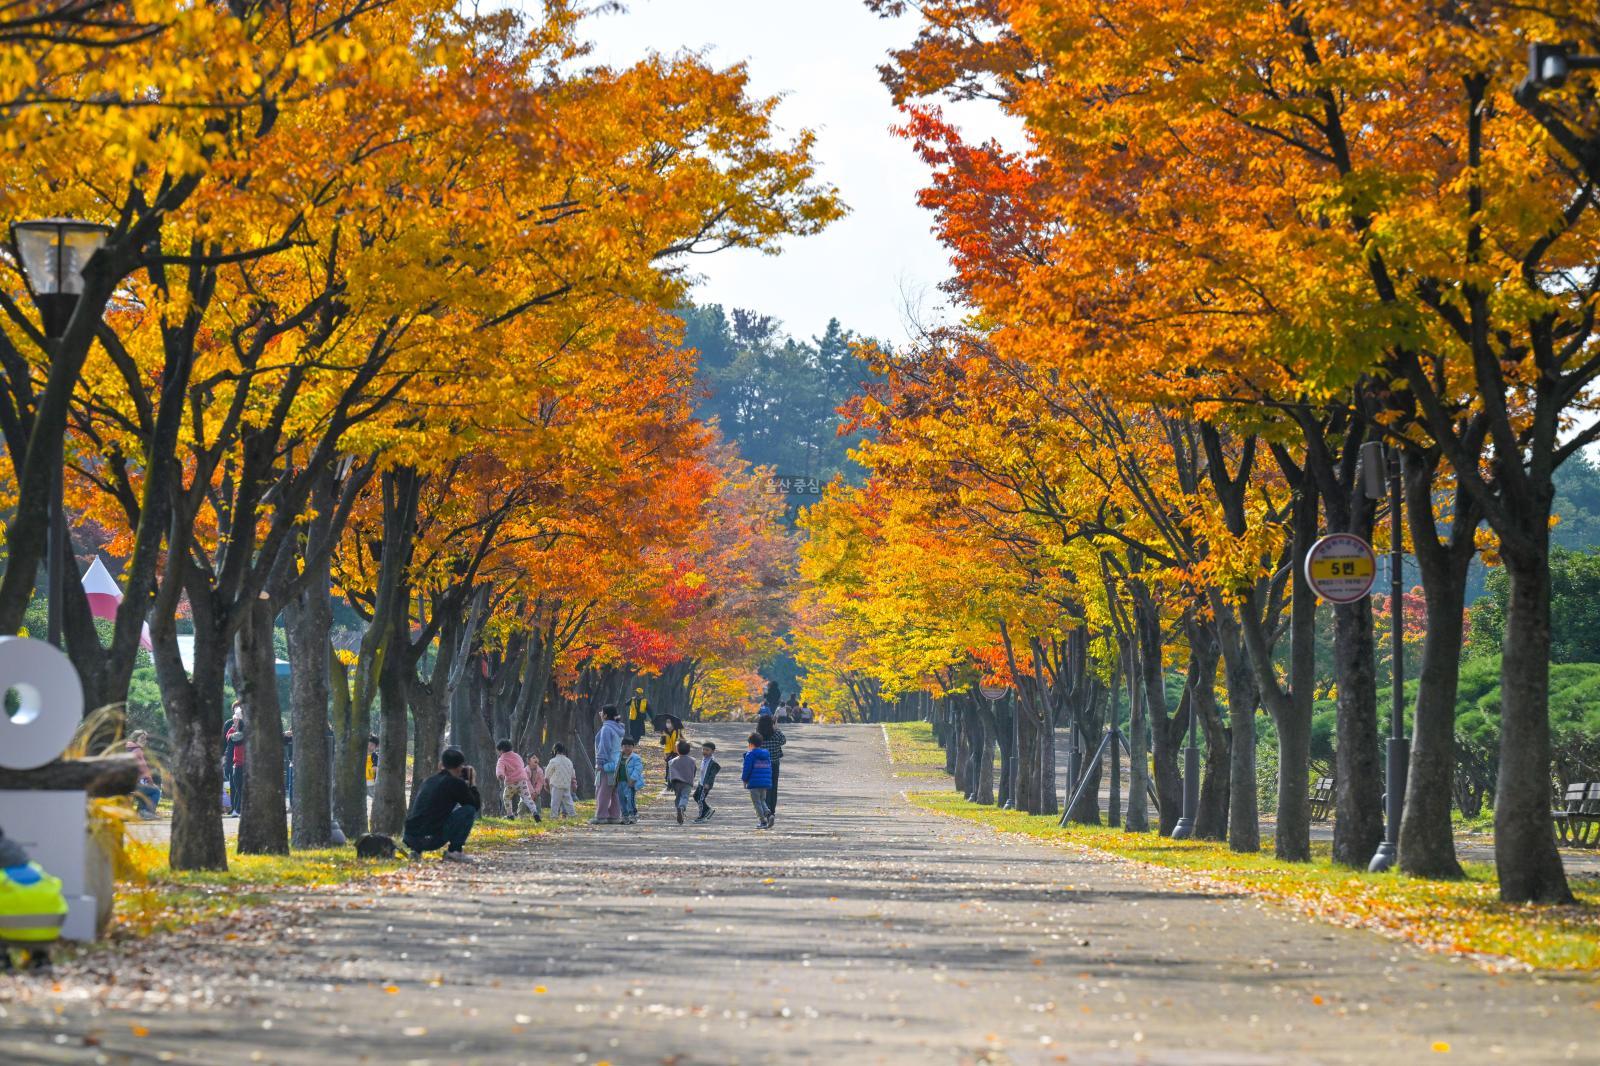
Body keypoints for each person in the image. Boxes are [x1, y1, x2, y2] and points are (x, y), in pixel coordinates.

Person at [402, 747, 481, 863]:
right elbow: (475, 806)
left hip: (410, 838)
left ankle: (416, 852)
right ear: (460, 767)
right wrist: (472, 783)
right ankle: (455, 851)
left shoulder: (429, 781)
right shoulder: (455, 783)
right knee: (468, 810)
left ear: (442, 764)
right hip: (431, 840)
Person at [592, 705, 624, 825]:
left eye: (602, 712)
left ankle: (601, 816)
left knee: (602, 791)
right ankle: (614, 816)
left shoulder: (606, 728)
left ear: (605, 715)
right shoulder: (618, 728)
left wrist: (600, 763)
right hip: (617, 763)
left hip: (607, 764)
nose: (600, 714)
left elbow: (604, 747)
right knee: (614, 791)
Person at [495, 739, 541, 821]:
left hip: (511, 782)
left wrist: (500, 775)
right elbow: (522, 764)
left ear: (501, 750)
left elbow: (499, 768)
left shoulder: (502, 759)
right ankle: (535, 812)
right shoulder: (517, 756)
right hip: (522, 781)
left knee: (506, 798)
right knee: (527, 798)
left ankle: (510, 815)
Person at [756, 715, 787, 823]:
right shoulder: (776, 734)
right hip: (774, 764)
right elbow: (784, 741)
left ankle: (765, 811)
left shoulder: (758, 735)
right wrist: (777, 729)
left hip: (761, 765)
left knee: (762, 788)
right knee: (773, 788)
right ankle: (772, 811)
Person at [741, 733, 774, 830]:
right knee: (762, 800)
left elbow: (747, 769)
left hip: (754, 782)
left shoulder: (750, 755)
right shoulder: (766, 754)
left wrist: (744, 780)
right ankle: (768, 814)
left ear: (750, 744)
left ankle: (763, 821)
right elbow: (769, 768)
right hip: (764, 782)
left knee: (756, 802)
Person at [126, 731, 161, 819]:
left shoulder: (128, 748)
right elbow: (144, 769)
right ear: (135, 738)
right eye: (142, 738)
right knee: (155, 791)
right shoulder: (137, 750)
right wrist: (150, 782)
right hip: (133, 785)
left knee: (145, 789)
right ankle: (146, 812)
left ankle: (141, 812)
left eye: (145, 739)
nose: (144, 741)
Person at [667, 741, 698, 825]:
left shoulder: (672, 761)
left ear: (677, 750)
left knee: (678, 797)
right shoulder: (692, 760)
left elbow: (670, 773)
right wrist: (692, 778)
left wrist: (669, 783)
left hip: (676, 782)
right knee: (684, 796)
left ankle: (679, 811)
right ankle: (682, 807)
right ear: (689, 750)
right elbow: (694, 770)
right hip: (687, 782)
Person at [545, 743, 577, 819]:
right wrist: (573, 781)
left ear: (555, 751)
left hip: (556, 785)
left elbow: (547, 772)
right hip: (566, 784)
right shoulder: (569, 761)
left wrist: (546, 780)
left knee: (555, 802)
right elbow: (573, 773)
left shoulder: (553, 761)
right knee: (568, 801)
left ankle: (554, 816)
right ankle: (573, 815)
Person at [618, 737, 645, 824]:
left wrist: (632, 779)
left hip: (630, 783)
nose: (627, 748)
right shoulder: (619, 757)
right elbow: (615, 768)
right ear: (622, 747)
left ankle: (633, 815)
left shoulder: (635, 758)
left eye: (629, 746)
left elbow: (638, 769)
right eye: (625, 746)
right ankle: (624, 816)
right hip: (619, 782)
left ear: (633, 747)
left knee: (630, 799)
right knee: (621, 800)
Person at [693, 741, 720, 822]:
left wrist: (708, 783)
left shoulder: (713, 763)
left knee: (700, 800)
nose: (704, 751)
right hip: (701, 783)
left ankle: (701, 816)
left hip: (706, 784)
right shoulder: (704, 759)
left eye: (707, 750)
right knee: (695, 796)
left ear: (713, 751)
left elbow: (712, 775)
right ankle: (708, 810)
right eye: (703, 749)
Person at [225, 713, 246, 817]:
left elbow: (230, 737)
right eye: (234, 720)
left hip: (240, 765)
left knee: (240, 789)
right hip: (237, 765)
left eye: (237, 721)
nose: (235, 722)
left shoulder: (239, 734)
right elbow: (228, 737)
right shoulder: (235, 733)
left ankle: (237, 810)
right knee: (239, 789)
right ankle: (237, 810)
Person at [656, 714, 683, 788]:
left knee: (675, 766)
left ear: (672, 723)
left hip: (676, 751)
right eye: (667, 722)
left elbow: (682, 740)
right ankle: (668, 781)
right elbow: (662, 743)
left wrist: (679, 741)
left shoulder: (677, 731)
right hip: (667, 752)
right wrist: (663, 738)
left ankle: (674, 781)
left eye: (669, 722)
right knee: (668, 766)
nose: (667, 724)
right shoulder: (664, 731)